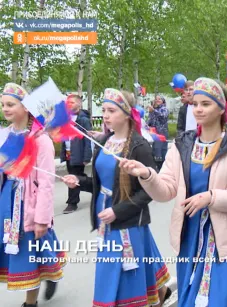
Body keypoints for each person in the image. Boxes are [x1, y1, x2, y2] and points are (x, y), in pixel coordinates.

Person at [118, 78, 227, 307]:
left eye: (206, 104)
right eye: (195, 103)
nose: (198, 109)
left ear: (221, 108)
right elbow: (166, 190)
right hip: (189, 239)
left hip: (222, 242)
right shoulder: (182, 145)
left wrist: (212, 197)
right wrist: (147, 175)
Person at [62, 89, 172, 306]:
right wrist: (78, 180)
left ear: (126, 114)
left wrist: (117, 211)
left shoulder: (139, 147)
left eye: (111, 110)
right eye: (103, 110)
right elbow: (101, 183)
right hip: (105, 219)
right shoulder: (105, 141)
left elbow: (150, 191)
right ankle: (160, 293)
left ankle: (151, 296)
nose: (105, 115)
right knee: (118, 269)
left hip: (126, 221)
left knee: (124, 274)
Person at [0, 83, 65, 307]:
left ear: (25, 107)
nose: (5, 109)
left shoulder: (40, 139)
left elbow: (47, 183)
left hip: (28, 203)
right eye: (2, 105)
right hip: (6, 201)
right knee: (14, 251)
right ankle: (48, 272)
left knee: (31, 254)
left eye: (10, 104)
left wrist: (42, 219)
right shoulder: (4, 135)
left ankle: (30, 302)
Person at [61, 94, 93, 214]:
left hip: (78, 153)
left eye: (72, 102)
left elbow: (88, 139)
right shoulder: (66, 119)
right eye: (67, 103)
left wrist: (87, 156)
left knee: (73, 177)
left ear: (79, 104)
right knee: (76, 175)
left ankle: (72, 203)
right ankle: (93, 186)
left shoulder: (83, 120)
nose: (69, 105)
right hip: (69, 153)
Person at [148, 95, 170, 170]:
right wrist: (151, 113)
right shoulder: (154, 109)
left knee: (162, 152)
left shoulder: (164, 109)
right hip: (154, 134)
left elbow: (163, 116)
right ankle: (157, 169)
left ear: (163, 101)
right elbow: (150, 121)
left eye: (159, 99)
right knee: (155, 152)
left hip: (162, 133)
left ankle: (163, 169)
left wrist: (153, 111)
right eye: (156, 99)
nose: (157, 100)